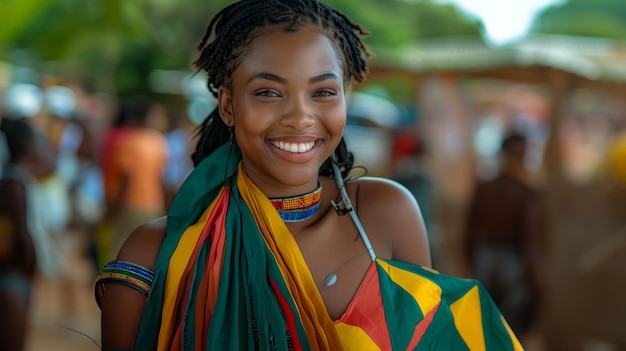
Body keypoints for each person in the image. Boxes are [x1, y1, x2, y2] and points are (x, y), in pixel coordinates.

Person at [96, 1, 522, 350]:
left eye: (322, 92)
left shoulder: (385, 216)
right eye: (268, 92)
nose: (301, 118)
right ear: (227, 105)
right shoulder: (156, 255)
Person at [463, 131, 546, 338]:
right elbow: (530, 242)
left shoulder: (486, 188)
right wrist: (537, 282)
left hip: (485, 259)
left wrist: (474, 262)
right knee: (509, 330)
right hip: (513, 264)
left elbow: (469, 233)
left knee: (485, 328)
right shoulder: (526, 193)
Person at [0, 117, 57, 351]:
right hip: (14, 276)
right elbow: (22, 233)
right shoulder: (15, 183)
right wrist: (30, 263)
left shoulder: (18, 179)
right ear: (28, 148)